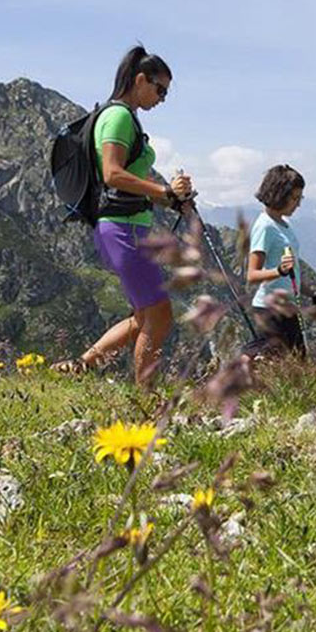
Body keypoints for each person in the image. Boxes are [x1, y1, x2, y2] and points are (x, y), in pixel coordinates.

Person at [54, 45, 193, 388]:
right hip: (123, 231)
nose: (162, 98)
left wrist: (170, 197)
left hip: (126, 228)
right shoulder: (117, 116)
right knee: (160, 316)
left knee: (142, 315)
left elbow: (127, 183)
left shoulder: (125, 116)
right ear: (141, 79)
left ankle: (80, 366)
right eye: (160, 89)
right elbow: (113, 174)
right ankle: (146, 400)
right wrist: (164, 193)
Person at [246, 165, 306, 356]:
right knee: (280, 365)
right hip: (269, 309)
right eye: (294, 198)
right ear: (280, 195)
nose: (298, 204)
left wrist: (314, 293)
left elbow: (291, 272)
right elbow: (252, 275)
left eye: (300, 198)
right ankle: (242, 360)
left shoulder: (283, 225)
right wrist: (278, 271)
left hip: (286, 307)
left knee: (297, 363)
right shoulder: (265, 227)